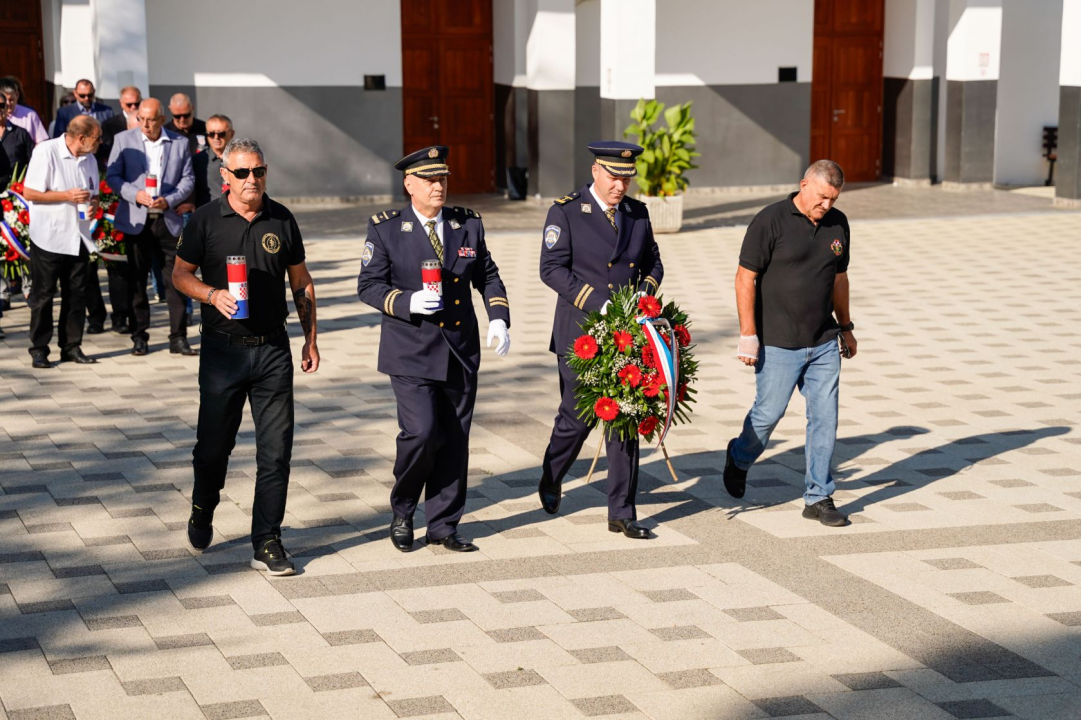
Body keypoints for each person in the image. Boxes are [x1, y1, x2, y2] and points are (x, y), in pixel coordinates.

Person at [173, 137, 319, 576]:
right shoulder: (204, 220)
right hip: (223, 352)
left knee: (275, 453)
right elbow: (180, 274)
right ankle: (203, 507)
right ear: (225, 176)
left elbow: (301, 282)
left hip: (273, 350)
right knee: (213, 449)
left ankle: (267, 540)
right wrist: (211, 294)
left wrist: (310, 340)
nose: (252, 179)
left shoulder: (282, 218)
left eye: (259, 171)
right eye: (242, 172)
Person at [357, 146, 511, 553]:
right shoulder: (387, 228)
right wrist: (407, 301)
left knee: (455, 439)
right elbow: (368, 285)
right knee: (422, 433)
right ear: (409, 184)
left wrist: (499, 317)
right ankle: (404, 509)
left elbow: (487, 275)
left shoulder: (467, 224)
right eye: (429, 180)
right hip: (411, 349)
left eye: (442, 178)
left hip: (459, 348)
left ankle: (443, 525)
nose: (438, 186)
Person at [536, 141, 663, 540]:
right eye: (613, 177)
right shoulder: (566, 211)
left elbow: (653, 262)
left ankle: (622, 512)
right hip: (581, 334)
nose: (620, 186)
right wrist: (598, 303)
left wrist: (643, 295)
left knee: (623, 417)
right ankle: (553, 472)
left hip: (625, 336)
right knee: (577, 418)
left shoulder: (637, 213)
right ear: (595, 171)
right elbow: (551, 269)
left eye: (626, 178)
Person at [724, 160, 856, 528]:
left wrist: (845, 327)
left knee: (825, 418)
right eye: (822, 197)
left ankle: (818, 496)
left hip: (823, 341)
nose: (826, 205)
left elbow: (839, 279)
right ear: (804, 184)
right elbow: (745, 278)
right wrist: (748, 335)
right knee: (768, 415)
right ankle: (739, 456)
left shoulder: (838, 224)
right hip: (778, 342)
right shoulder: (770, 221)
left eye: (833, 199)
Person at [106, 98, 195, 356]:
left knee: (176, 280)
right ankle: (139, 336)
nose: (145, 124)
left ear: (162, 119)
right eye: (141, 119)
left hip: (168, 219)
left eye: (151, 119)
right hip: (137, 220)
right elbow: (112, 176)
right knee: (137, 280)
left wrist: (171, 199)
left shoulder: (178, 142)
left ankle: (178, 337)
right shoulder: (123, 139)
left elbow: (188, 179)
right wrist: (134, 194)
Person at [21, 116, 102, 368]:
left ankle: (71, 346)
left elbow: (95, 194)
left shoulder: (90, 158)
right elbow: (29, 192)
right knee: (44, 295)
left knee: (76, 294)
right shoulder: (46, 151)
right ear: (81, 138)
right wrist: (66, 195)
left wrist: (94, 206)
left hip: (78, 236)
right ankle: (39, 349)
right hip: (49, 236)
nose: (100, 142)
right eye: (97, 138)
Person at [193, 115, 234, 207]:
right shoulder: (197, 160)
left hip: (237, 211)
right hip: (208, 211)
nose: (216, 137)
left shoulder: (241, 159)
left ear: (231, 133)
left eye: (221, 134)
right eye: (211, 134)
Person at [98, 86, 142, 169]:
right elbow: (107, 150)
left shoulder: (147, 122)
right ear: (121, 103)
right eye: (129, 104)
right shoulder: (110, 124)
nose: (133, 107)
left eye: (137, 104)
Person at [0, 76, 48, 145]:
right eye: (4, 100)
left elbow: (42, 143)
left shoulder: (30, 115)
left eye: (11, 100)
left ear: (17, 95)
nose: (8, 103)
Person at [0, 93, 34, 188]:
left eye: (1, 106)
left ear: (6, 108)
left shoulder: (21, 134)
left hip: (16, 190)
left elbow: (33, 163)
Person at [165, 93, 208, 158]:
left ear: (193, 107)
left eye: (186, 115)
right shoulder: (165, 133)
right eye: (177, 116)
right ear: (170, 109)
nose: (182, 120)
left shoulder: (205, 128)